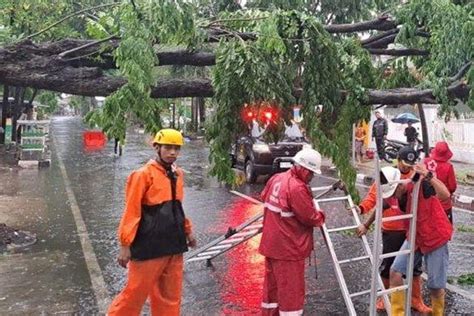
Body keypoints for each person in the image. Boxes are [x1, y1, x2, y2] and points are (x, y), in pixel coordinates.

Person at [108, 128, 197, 316]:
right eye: (168, 147)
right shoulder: (142, 175)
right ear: (157, 147)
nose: (172, 152)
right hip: (149, 246)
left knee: (170, 297)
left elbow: (177, 207)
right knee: (134, 294)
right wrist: (125, 244)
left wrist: (188, 231)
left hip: (174, 244)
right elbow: (132, 211)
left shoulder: (177, 174)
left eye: (176, 148)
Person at [355, 148, 431, 313]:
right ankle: (385, 297)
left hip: (410, 230)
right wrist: (362, 211)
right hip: (391, 229)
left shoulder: (414, 177)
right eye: (403, 164)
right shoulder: (388, 175)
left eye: (409, 165)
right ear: (397, 160)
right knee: (388, 265)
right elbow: (374, 198)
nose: (406, 168)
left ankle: (415, 300)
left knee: (415, 267)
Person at [259, 148, 326, 315]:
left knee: (272, 292)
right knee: (291, 295)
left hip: (271, 245)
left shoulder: (276, 178)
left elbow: (263, 197)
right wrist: (321, 215)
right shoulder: (297, 188)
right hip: (288, 250)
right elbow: (310, 217)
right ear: (303, 168)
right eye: (311, 173)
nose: (311, 177)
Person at [389, 162, 452, 316]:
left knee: (435, 286)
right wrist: (362, 212)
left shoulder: (419, 185)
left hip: (435, 236)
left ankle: (438, 313)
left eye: (391, 193)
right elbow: (378, 204)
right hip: (415, 236)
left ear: (399, 186)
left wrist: (428, 175)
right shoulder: (396, 193)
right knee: (395, 272)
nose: (391, 198)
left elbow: (445, 195)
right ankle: (398, 314)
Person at [424, 141, 457, 224]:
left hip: (427, 203)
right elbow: (452, 186)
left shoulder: (425, 162)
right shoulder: (448, 167)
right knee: (445, 228)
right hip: (443, 204)